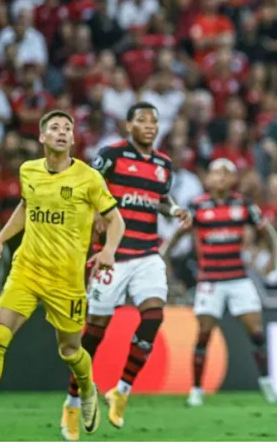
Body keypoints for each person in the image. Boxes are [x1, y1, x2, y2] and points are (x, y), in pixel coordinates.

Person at [0, 111, 126, 438]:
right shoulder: (28, 170)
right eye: (55, 128)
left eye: (68, 128)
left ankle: (86, 387)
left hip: (66, 279)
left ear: (73, 139)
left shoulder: (89, 178)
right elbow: (26, 206)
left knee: (69, 350)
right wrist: (0, 239)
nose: (62, 132)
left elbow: (116, 220)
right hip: (27, 269)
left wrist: (108, 250)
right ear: (42, 137)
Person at [61, 102, 192, 439]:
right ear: (128, 125)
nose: (149, 126)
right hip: (112, 255)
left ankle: (121, 390)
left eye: (154, 121)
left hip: (147, 252)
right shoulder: (111, 155)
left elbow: (159, 198)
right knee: (94, 333)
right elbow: (86, 189)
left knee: (153, 317)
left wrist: (175, 209)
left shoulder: (163, 164)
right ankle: (73, 405)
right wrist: (93, 226)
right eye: (142, 121)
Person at [162, 158, 277, 407]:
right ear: (208, 179)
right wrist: (164, 257)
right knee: (203, 335)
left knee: (256, 333)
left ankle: (267, 383)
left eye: (226, 173)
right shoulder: (197, 206)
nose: (221, 177)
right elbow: (178, 233)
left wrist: (273, 257)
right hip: (210, 280)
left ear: (234, 179)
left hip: (238, 278)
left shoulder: (243, 205)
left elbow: (266, 230)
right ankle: (195, 390)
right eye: (217, 173)